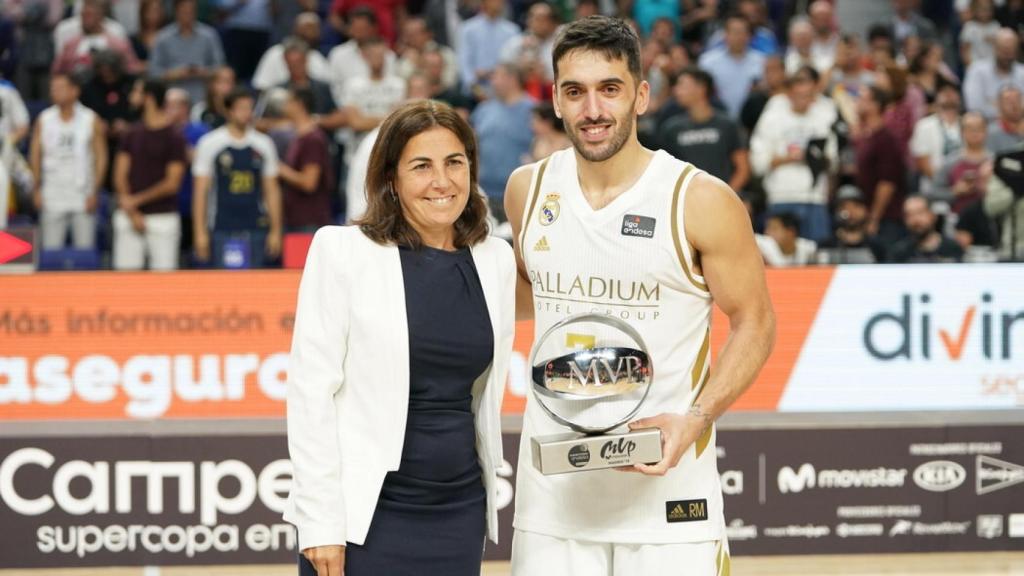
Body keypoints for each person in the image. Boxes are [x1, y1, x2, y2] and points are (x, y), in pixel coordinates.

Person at [505, 16, 775, 575]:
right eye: (575, 92)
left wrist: (696, 418)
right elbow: (527, 296)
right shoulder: (526, 190)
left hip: (671, 507)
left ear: (641, 96)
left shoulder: (699, 198)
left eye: (610, 89)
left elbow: (756, 322)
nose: (593, 110)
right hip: (553, 502)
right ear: (554, 99)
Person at [285, 100, 516, 576]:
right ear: (391, 178)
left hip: (458, 510)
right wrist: (321, 522)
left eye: (455, 163)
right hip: (363, 517)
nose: (442, 181)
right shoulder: (342, 251)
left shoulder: (495, 259)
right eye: (421, 166)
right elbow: (311, 395)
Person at [192, 87, 283, 268]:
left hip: (256, 225)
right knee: (224, 287)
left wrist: (275, 231)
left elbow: (271, 191)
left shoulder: (263, 144)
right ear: (228, 111)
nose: (246, 113)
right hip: (221, 225)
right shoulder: (210, 144)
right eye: (241, 108)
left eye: (249, 108)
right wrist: (200, 233)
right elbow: (201, 192)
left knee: (255, 286)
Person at [750, 67, 838, 243]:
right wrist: (789, 158)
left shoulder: (823, 118)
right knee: (780, 256)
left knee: (817, 256)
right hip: (781, 195)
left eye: (809, 96)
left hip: (814, 197)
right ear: (789, 94)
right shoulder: (772, 118)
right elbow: (758, 162)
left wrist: (814, 158)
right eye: (800, 95)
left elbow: (833, 161)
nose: (805, 100)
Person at [112, 79, 186, 270]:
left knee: (165, 283)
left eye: (137, 92)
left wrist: (135, 201)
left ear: (149, 98)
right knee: (125, 281)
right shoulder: (131, 134)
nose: (131, 97)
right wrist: (132, 211)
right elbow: (119, 175)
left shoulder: (174, 137)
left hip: (163, 217)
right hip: (129, 216)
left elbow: (172, 183)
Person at [30, 73, 107, 250]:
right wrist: (36, 188)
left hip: (82, 194)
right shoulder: (44, 119)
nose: (54, 92)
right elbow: (35, 155)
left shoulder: (90, 118)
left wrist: (95, 190)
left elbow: (101, 156)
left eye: (60, 88)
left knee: (85, 249)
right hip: (52, 192)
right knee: (50, 249)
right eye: (53, 89)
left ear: (75, 91)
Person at [659, 66, 750, 194]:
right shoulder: (671, 128)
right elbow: (664, 171)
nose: (676, 90)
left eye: (682, 85)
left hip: (722, 198)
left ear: (701, 88)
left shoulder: (727, 124)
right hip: (686, 200)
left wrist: (725, 195)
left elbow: (743, 169)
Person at [471, 62, 535, 220]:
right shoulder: (483, 110)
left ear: (511, 79)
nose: (492, 82)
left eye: (496, 76)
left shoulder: (533, 110)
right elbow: (472, 146)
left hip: (521, 194)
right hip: (484, 195)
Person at [855, 85, 907, 245]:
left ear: (875, 105)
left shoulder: (886, 139)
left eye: (862, 99)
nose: (857, 103)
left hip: (887, 218)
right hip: (870, 214)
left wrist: (874, 218)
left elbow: (887, 182)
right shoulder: (867, 137)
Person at [149, 0, 225, 106]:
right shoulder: (162, 38)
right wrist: (175, 74)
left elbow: (221, 68)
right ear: (175, 11)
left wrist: (202, 72)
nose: (188, 14)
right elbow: (153, 72)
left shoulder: (209, 36)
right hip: (171, 100)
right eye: (184, 11)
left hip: (204, 98)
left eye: (191, 11)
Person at [278, 87, 333, 231]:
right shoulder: (299, 136)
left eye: (289, 101)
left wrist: (281, 170)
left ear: (299, 104)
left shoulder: (313, 139)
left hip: (309, 221)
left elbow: (309, 182)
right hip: (296, 219)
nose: (285, 105)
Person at [697, 13, 765, 119]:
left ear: (749, 36)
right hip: (717, 119)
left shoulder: (762, 61)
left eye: (742, 32)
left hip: (752, 120)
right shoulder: (708, 62)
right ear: (725, 35)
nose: (739, 37)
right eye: (734, 32)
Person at [910, 80, 963, 198]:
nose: (949, 96)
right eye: (944, 92)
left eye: (952, 92)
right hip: (934, 190)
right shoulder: (924, 125)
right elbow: (923, 162)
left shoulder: (966, 123)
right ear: (936, 97)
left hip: (965, 187)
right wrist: (947, 187)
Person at [252, 13, 330, 91]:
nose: (310, 33)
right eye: (307, 28)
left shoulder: (317, 57)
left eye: (315, 29)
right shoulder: (275, 52)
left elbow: (326, 86)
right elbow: (260, 86)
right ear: (296, 29)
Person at [963, 28, 1024, 120]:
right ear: (995, 48)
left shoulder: (1022, 72)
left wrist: (993, 103)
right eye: (1004, 50)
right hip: (987, 127)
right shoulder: (976, 70)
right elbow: (974, 107)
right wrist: (1011, 111)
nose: (1007, 56)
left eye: (1011, 51)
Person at [887, 195, 964, 262]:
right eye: (909, 215)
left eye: (920, 213)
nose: (915, 220)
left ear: (932, 215)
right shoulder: (899, 253)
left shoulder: (952, 249)